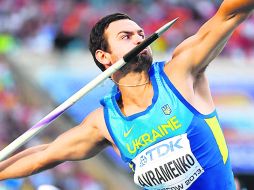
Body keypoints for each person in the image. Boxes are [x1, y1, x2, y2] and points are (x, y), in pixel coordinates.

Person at [0, 1, 254, 189]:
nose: (138, 40)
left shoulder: (181, 72)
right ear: (103, 56)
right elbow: (42, 157)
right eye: (126, 36)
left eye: (141, 35)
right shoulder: (104, 122)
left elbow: (230, 13)